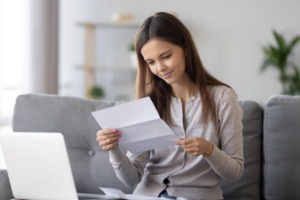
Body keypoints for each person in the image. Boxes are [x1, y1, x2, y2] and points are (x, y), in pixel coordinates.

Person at [96, 11, 244, 200]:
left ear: (185, 48)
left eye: (165, 56)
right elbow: (131, 179)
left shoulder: (223, 98)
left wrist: (209, 150)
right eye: (151, 62)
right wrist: (114, 149)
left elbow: (236, 173)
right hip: (146, 196)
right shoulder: (148, 104)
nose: (160, 68)